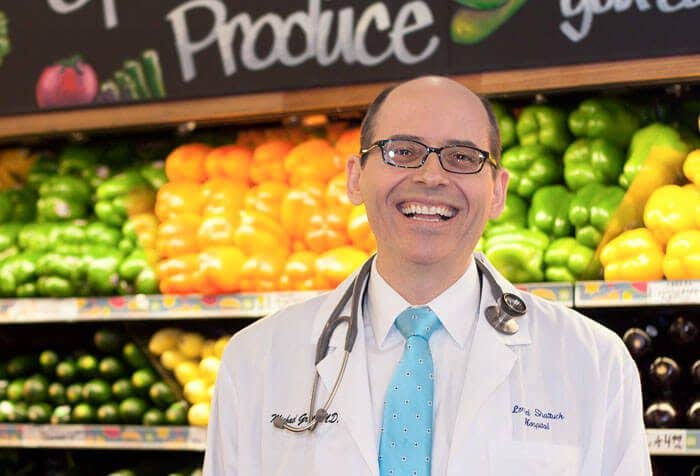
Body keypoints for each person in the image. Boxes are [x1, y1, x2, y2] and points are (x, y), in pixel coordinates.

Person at [203, 76, 652, 475]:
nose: (432, 175)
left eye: (462, 156)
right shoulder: (254, 362)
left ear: (498, 192)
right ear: (355, 178)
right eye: (402, 151)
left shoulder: (593, 363)